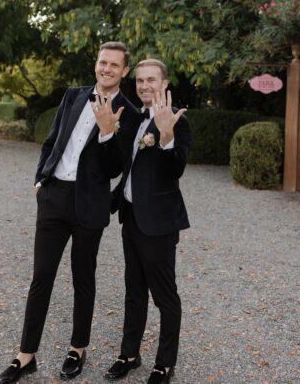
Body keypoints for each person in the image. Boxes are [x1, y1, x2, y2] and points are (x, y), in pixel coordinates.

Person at [0, 42, 139, 384]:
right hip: (54, 196)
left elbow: (117, 168)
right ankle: (25, 355)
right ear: (97, 64)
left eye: (114, 65)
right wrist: (39, 180)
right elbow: (52, 141)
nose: (107, 69)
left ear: (125, 71)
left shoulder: (128, 113)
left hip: (90, 204)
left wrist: (107, 133)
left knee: (83, 278)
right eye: (103, 62)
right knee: (41, 276)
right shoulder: (73, 96)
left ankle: (78, 348)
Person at [104, 59, 191, 384]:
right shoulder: (136, 120)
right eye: (140, 81)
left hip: (158, 225)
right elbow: (129, 170)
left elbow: (174, 172)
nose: (144, 86)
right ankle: (129, 354)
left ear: (164, 83)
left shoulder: (178, 120)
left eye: (151, 80)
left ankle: (164, 364)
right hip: (131, 220)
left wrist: (166, 138)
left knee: (165, 296)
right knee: (133, 292)